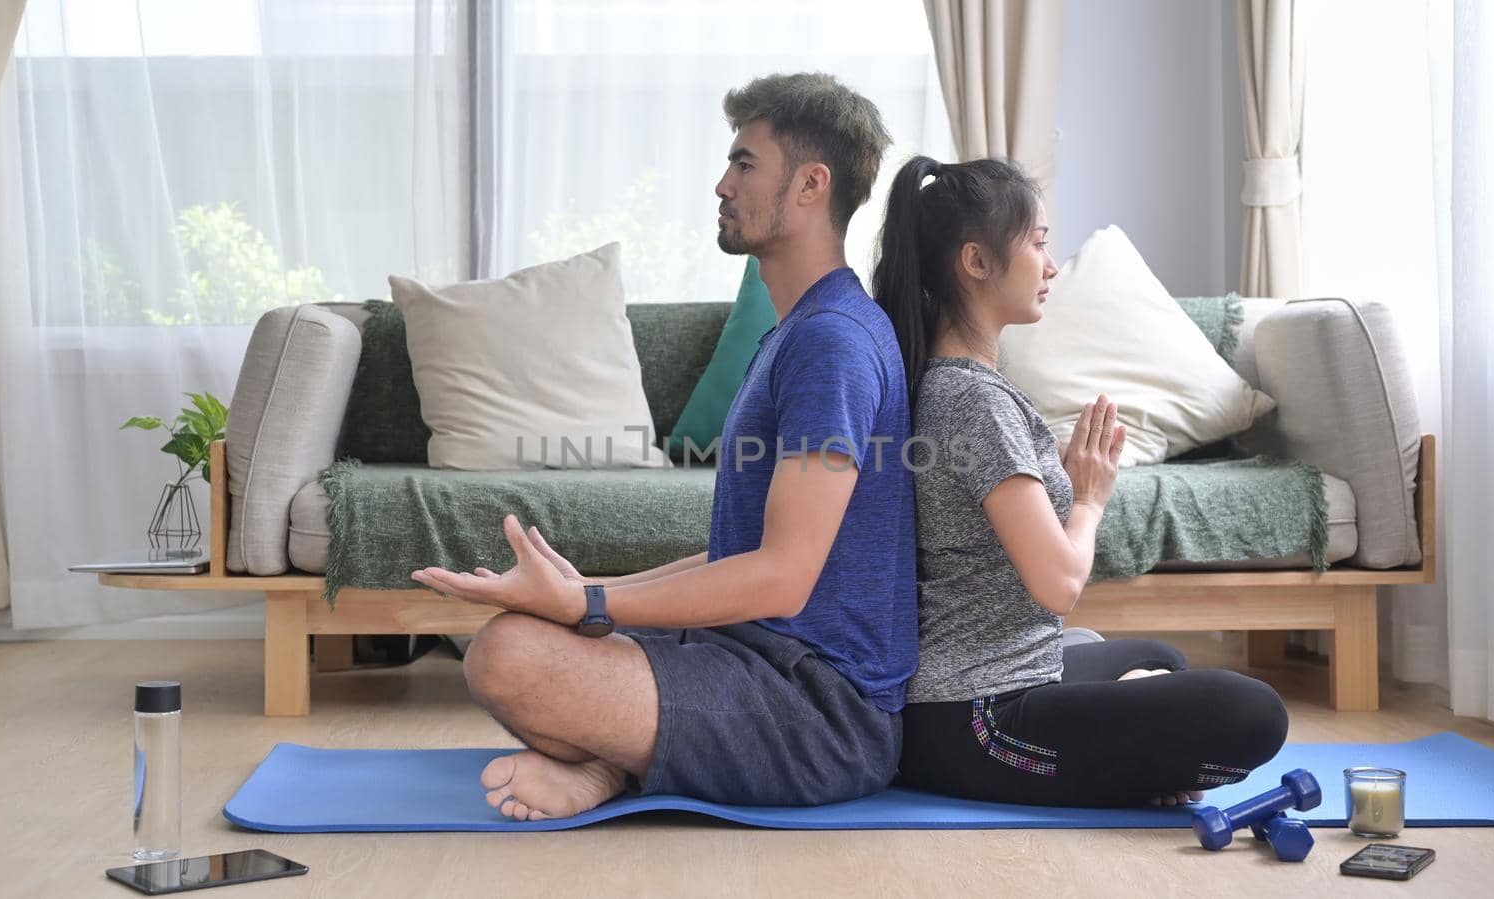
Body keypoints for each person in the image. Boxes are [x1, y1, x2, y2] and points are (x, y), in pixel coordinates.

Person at [412, 72, 918, 821]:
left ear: (811, 185)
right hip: (755, 661)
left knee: (506, 657)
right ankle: (614, 761)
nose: (722, 183)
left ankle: (614, 763)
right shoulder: (800, 331)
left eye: (745, 163)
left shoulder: (832, 343)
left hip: (820, 712)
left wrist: (590, 603)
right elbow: (736, 553)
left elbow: (782, 578)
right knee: (523, 633)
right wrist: (588, 602)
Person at [870, 155, 1289, 808]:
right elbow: (1059, 583)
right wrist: (1088, 497)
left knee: (1160, 659)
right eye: (1037, 243)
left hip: (974, 694)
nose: (1051, 264)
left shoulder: (948, 385)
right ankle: (1129, 767)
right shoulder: (974, 400)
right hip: (979, 722)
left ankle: (1126, 757)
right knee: (1255, 713)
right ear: (976, 261)